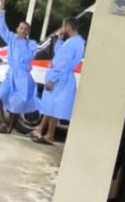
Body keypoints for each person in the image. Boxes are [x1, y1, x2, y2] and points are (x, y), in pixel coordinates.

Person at [32, 17, 86, 145]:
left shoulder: (76, 42)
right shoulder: (72, 41)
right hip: (59, 77)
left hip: (62, 79)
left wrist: (54, 79)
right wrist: (60, 40)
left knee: (55, 107)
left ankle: (49, 134)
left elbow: (66, 64)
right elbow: (59, 55)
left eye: (63, 26)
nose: (62, 28)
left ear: (68, 26)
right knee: (50, 106)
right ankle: (40, 130)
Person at [0, 0, 38, 134]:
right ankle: (4, 122)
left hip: (23, 77)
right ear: (17, 29)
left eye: (25, 29)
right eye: (20, 28)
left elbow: (28, 56)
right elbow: (1, 27)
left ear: (27, 32)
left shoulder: (31, 44)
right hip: (11, 74)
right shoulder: (11, 38)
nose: (22, 30)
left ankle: (10, 127)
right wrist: (1, 9)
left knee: (17, 103)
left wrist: (22, 42)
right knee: (0, 96)